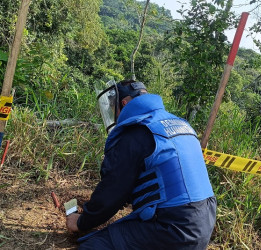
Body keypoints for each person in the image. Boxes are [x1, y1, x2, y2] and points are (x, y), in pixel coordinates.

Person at [66, 79, 217, 249]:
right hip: (205, 221)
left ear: (124, 103)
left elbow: (113, 190)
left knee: (93, 245)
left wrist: (81, 222)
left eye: (112, 108)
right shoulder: (179, 123)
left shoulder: (136, 132)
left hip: (174, 228)